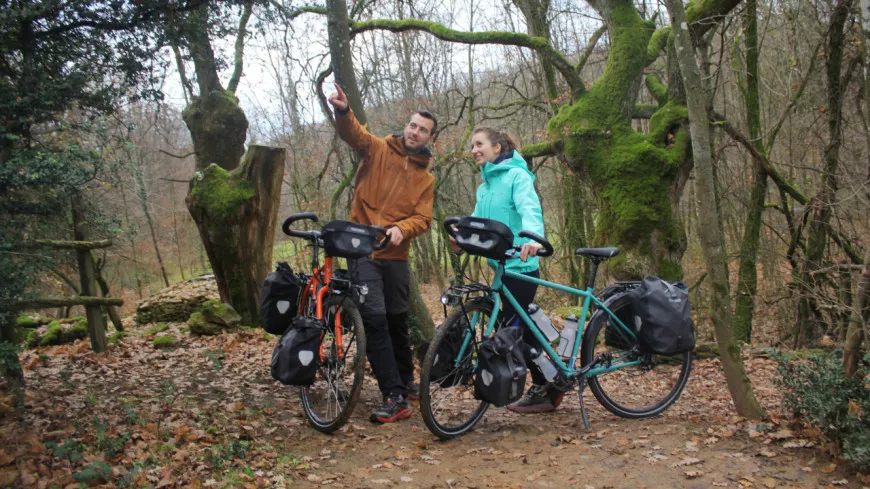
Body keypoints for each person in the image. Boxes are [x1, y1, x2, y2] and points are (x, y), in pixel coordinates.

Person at [328, 83, 436, 424]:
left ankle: (405, 380)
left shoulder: (426, 179)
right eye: (413, 125)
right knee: (374, 321)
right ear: (406, 126)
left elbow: (424, 218)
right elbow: (354, 134)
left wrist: (402, 229)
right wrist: (343, 111)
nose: (416, 132)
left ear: (430, 138)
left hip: (397, 257)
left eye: (423, 130)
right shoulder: (377, 149)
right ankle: (394, 396)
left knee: (396, 321)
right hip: (362, 251)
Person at [453, 127, 563, 413]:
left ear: (497, 148)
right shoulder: (485, 186)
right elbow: (478, 220)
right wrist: (462, 238)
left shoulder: (517, 176)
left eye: (479, 144)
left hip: (522, 267)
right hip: (501, 267)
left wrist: (533, 240)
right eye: (473, 145)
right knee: (518, 331)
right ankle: (551, 379)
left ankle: (550, 385)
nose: (474, 149)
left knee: (508, 335)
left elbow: (530, 208)